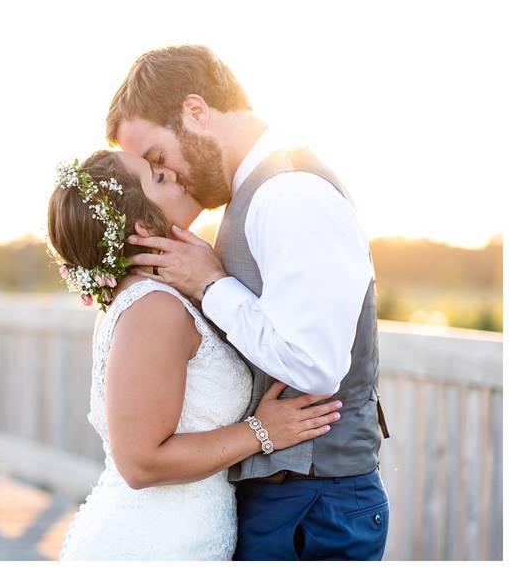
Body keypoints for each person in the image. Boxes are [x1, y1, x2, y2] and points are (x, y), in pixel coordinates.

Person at [107, 44, 391, 560]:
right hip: (285, 494)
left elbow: (314, 366)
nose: (164, 178)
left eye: (157, 158)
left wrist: (211, 287)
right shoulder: (251, 197)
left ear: (196, 111)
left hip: (313, 501)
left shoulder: (290, 194)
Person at [48, 150, 342, 560]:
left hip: (183, 535)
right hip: (153, 546)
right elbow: (140, 462)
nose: (173, 171)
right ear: (142, 226)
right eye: (158, 177)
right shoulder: (153, 308)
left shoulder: (159, 298)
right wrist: (261, 432)